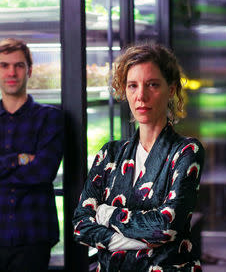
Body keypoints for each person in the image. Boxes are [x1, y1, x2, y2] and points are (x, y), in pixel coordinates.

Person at [73, 42, 205, 271]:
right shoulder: (109, 154)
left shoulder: (186, 151)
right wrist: (144, 241)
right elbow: (80, 225)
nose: (141, 96)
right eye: (132, 86)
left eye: (152, 85)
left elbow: (165, 227)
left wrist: (106, 213)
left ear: (171, 89)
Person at [0, 38, 64, 272]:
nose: (12, 72)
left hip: (34, 237)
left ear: (29, 70)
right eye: (4, 65)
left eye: (18, 65)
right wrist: (20, 159)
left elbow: (43, 171)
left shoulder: (50, 118)